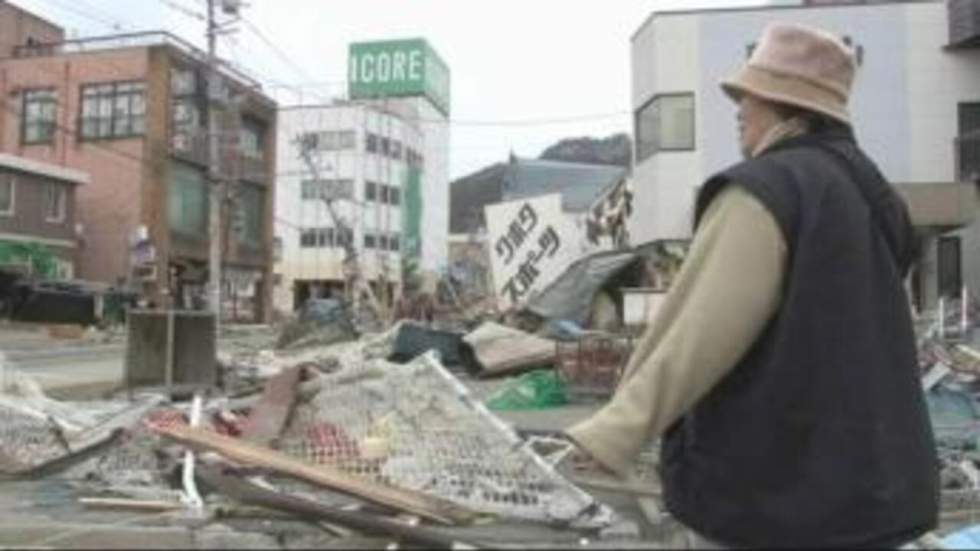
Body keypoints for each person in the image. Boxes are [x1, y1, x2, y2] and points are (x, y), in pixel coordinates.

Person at [565, 22, 938, 548]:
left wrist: (615, 431)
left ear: (789, 107)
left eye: (751, 96)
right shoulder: (873, 196)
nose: (739, 108)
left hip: (775, 502)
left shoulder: (765, 193)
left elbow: (697, 331)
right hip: (877, 496)